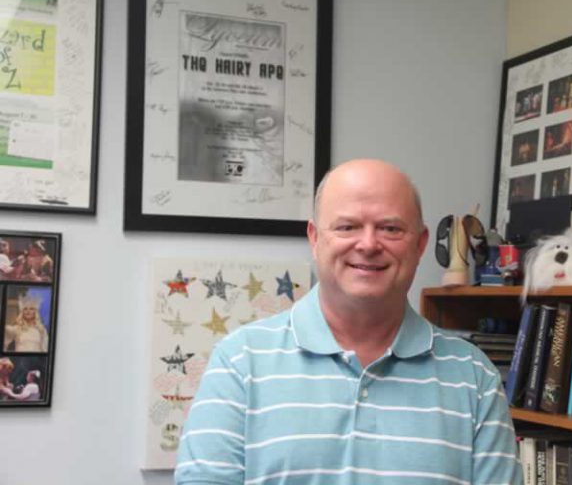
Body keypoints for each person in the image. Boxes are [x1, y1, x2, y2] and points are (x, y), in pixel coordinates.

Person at [176, 159, 522, 484]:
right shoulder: (239, 362)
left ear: (420, 245)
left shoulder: (474, 377)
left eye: (390, 228)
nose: (368, 244)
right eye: (347, 226)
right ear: (315, 238)